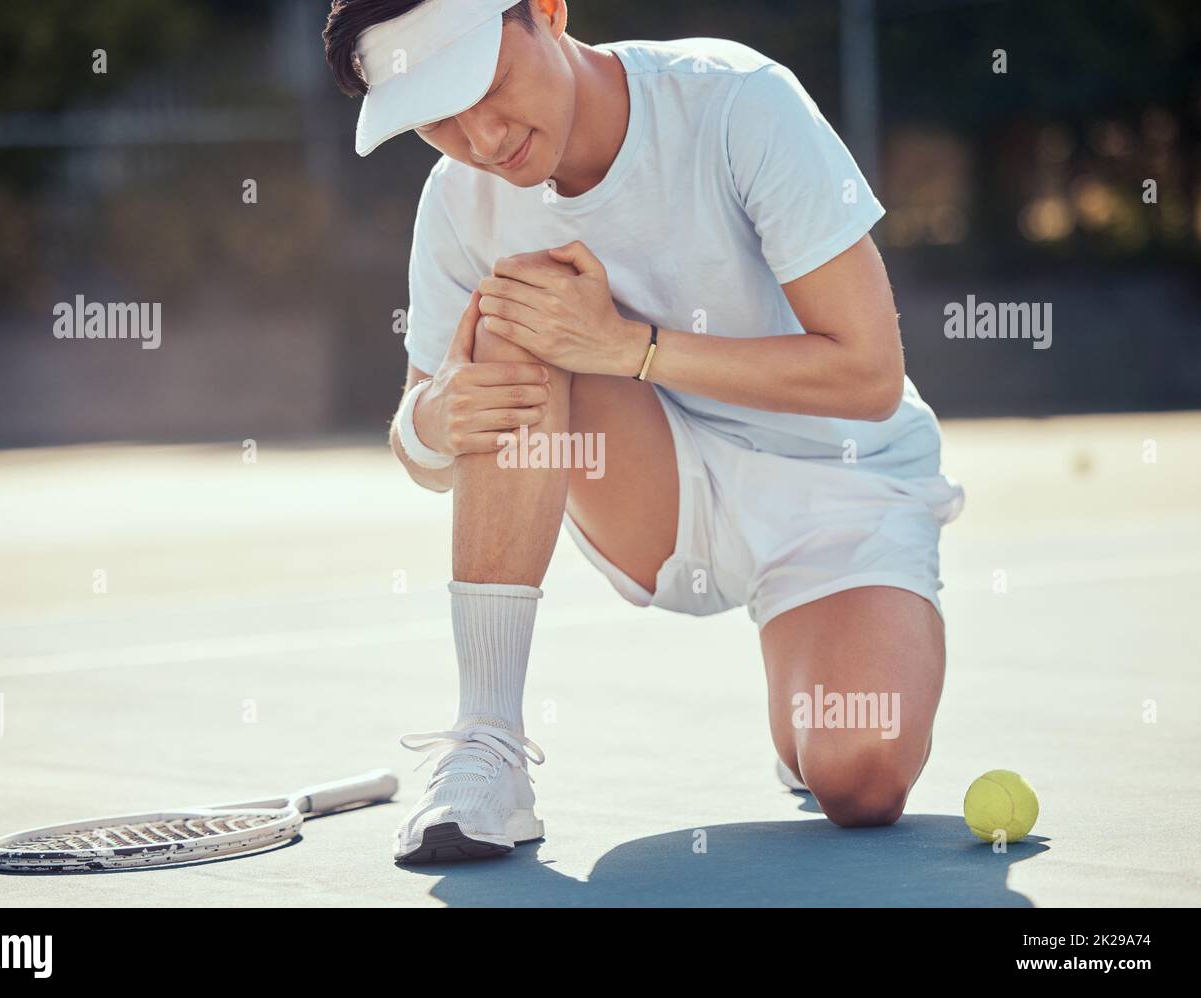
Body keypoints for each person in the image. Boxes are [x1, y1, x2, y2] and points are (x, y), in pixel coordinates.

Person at [322, 0, 965, 864]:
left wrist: (630, 348)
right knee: (520, 312)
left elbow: (868, 373)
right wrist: (437, 416)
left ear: (547, 11)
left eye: (487, 84)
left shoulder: (738, 102)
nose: (481, 137)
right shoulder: (457, 205)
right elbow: (422, 446)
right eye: (436, 117)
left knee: (860, 773)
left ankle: (807, 713)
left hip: (840, 487)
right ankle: (486, 746)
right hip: (654, 495)